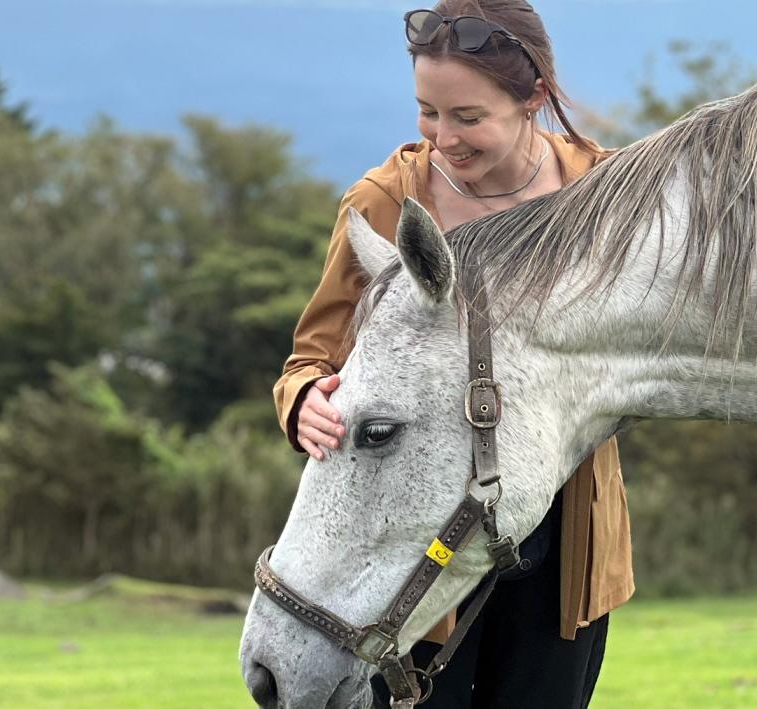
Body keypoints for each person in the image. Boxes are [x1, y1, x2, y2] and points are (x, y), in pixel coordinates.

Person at [270, 1, 634, 706]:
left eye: (467, 117)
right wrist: (305, 401)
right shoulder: (385, 202)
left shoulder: (605, 192)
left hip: (568, 546)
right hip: (418, 544)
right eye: (427, 112)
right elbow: (310, 357)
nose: (443, 138)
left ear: (532, 97)